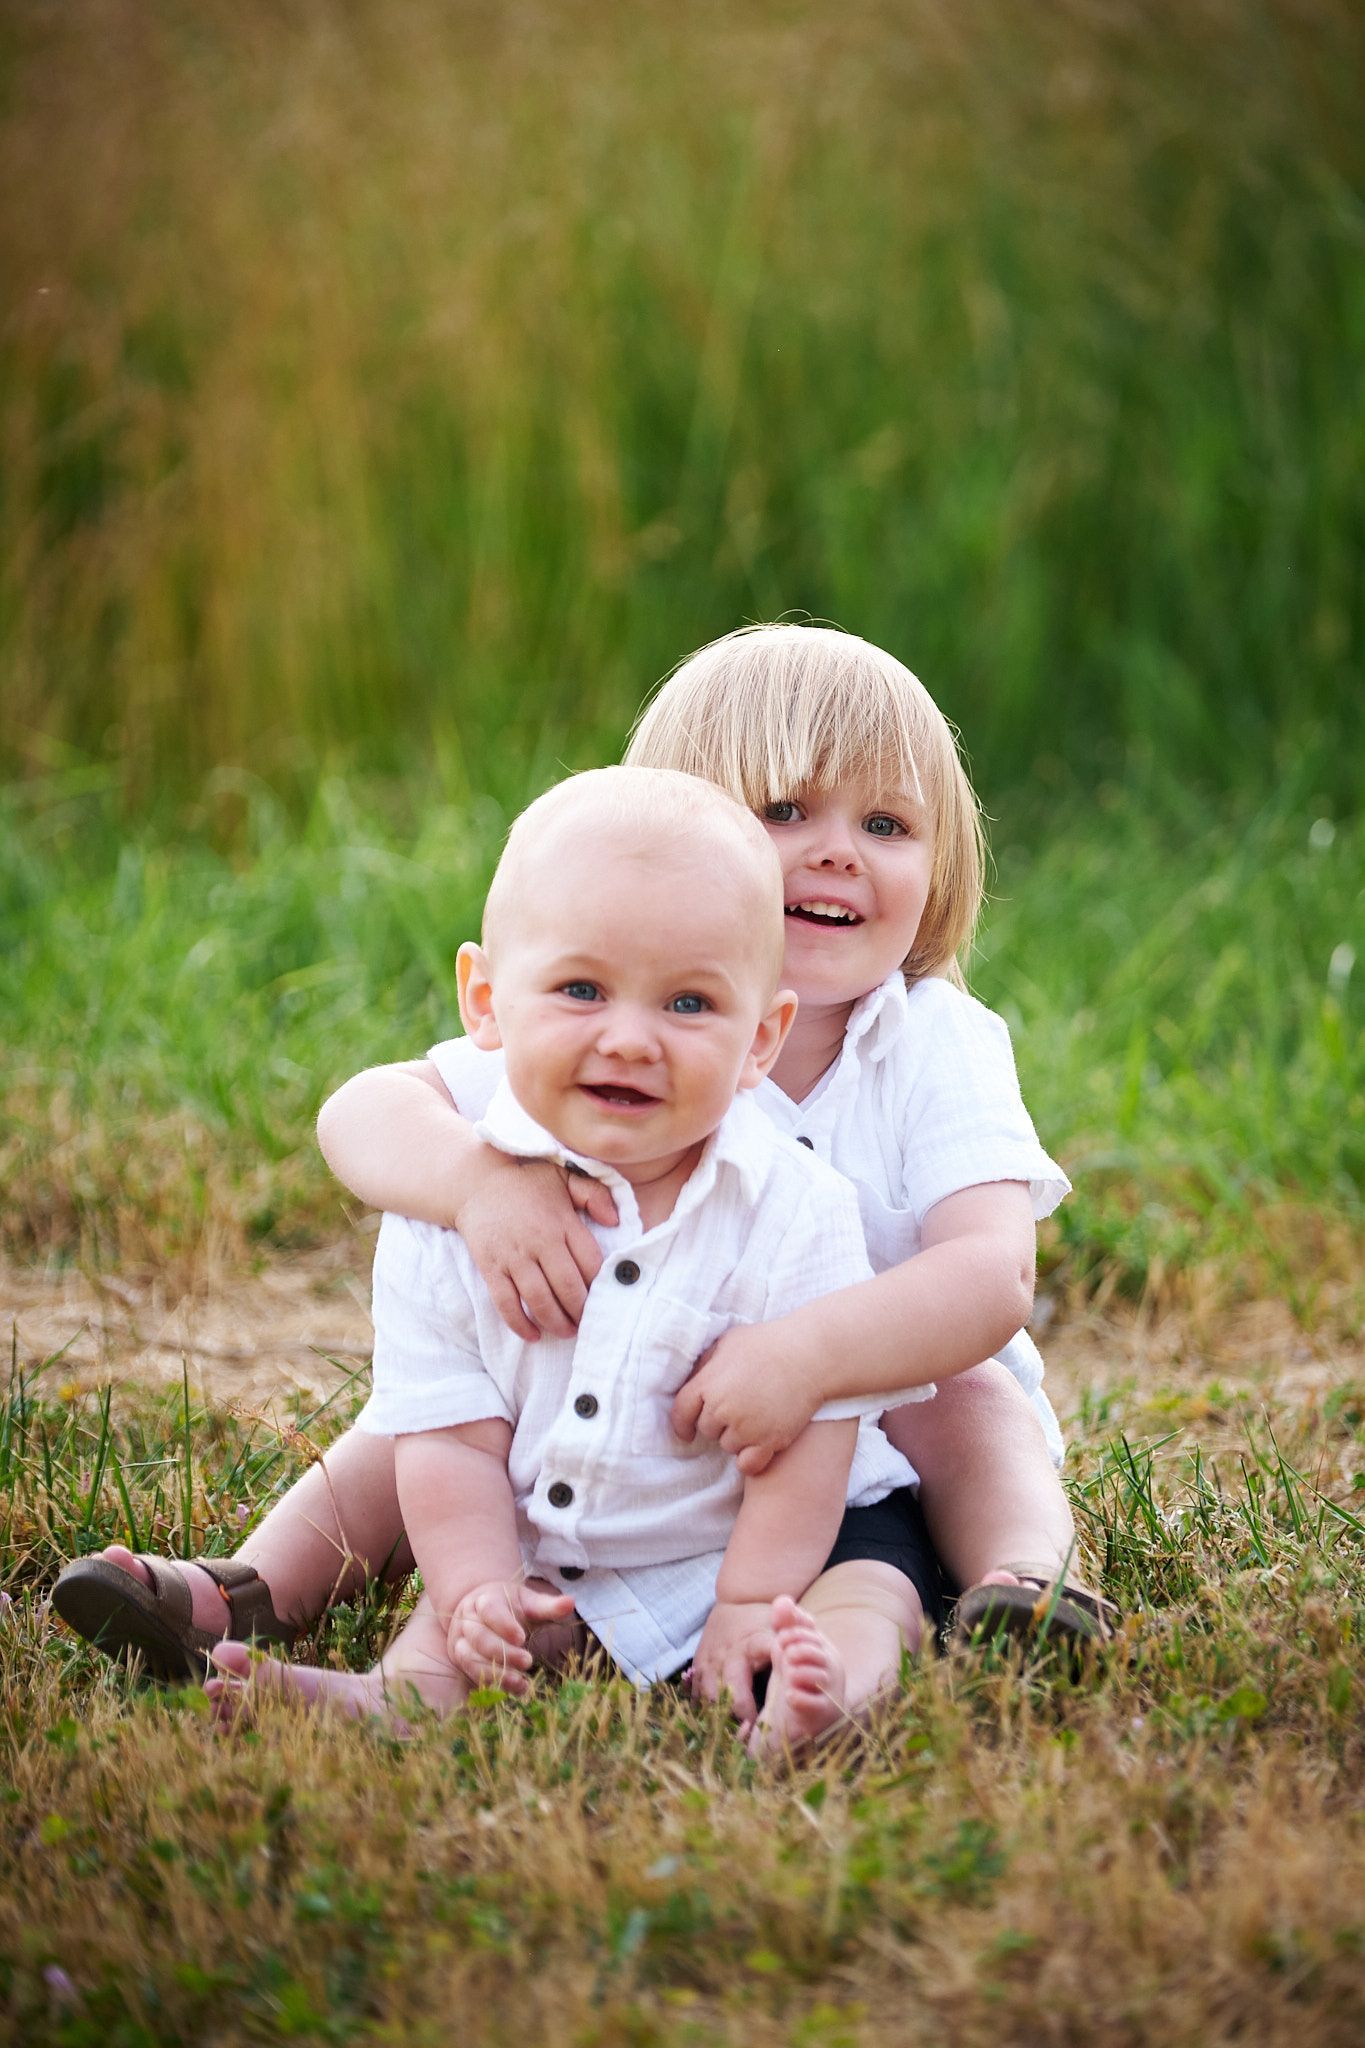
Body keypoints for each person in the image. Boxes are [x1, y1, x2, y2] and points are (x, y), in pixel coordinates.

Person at [55, 623, 1115, 1694]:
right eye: (786, 810)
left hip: (860, 1425)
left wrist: (808, 1358)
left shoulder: (930, 1040)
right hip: (620, 1414)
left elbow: (992, 1275)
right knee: (429, 1409)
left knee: (968, 1387)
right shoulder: (601, 1030)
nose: (839, 848)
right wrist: (480, 1182)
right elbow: (362, 1113)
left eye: (886, 823)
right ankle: (244, 1587)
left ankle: (1025, 1579)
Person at [71, 766, 940, 1752]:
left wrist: (748, 1596)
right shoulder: (454, 1209)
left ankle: (808, 1709)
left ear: (761, 1039)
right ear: (484, 998)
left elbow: (810, 1438)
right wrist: (477, 1583)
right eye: (581, 988)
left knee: (842, 1617)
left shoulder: (793, 1210)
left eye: (690, 1004)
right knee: (460, 1641)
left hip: (731, 1553)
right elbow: (448, 1434)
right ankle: (370, 1701)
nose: (629, 1037)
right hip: (533, 1546)